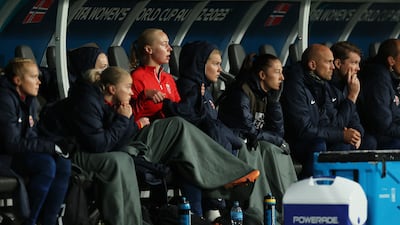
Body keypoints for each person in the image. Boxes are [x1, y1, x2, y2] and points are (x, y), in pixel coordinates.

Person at [66, 66, 259, 225]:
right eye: (128, 88)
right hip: (100, 152)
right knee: (122, 159)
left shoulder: (119, 104)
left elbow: (123, 136)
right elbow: (101, 144)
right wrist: (127, 121)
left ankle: (227, 178)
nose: (132, 92)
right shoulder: (90, 102)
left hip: (128, 143)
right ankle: (221, 186)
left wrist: (128, 119)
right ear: (111, 89)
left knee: (179, 126)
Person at [129, 29, 260, 221]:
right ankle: (229, 174)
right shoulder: (136, 77)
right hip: (150, 139)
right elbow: (125, 114)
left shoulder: (167, 79)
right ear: (148, 49)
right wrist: (142, 99)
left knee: (189, 160)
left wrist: (194, 98)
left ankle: (199, 217)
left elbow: (181, 111)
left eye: (169, 44)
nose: (169, 49)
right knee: (192, 133)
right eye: (164, 44)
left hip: (173, 139)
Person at [218, 53, 297, 219]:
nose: (282, 77)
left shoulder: (266, 94)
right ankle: (258, 213)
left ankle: (288, 208)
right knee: (263, 147)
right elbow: (248, 130)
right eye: (277, 72)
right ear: (262, 75)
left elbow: (277, 133)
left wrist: (275, 103)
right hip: (233, 145)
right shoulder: (241, 93)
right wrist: (277, 140)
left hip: (253, 141)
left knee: (277, 150)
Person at [0, 58, 71, 225]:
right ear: (17, 80)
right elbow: (11, 143)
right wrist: (50, 146)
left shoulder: (29, 99)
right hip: (5, 156)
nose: (39, 82)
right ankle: (30, 221)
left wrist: (56, 144)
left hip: (18, 153)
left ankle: (49, 221)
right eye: (33, 77)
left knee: (63, 162)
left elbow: (31, 136)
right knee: (46, 164)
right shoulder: (4, 100)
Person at [281, 44, 364, 178]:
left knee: (344, 145)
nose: (333, 67)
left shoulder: (321, 84)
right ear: (313, 65)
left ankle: (336, 192)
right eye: (329, 62)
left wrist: (354, 134)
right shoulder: (295, 85)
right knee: (319, 144)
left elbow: (331, 122)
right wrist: (341, 134)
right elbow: (303, 129)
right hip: (294, 140)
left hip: (316, 137)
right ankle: (309, 192)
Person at [330, 41, 377, 150]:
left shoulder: (348, 84)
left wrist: (358, 134)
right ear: (338, 64)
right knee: (343, 147)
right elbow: (335, 124)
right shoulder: (327, 86)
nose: (358, 68)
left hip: (345, 134)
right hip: (332, 136)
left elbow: (354, 118)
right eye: (354, 63)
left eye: (358, 63)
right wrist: (352, 96)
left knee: (370, 142)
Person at [358, 38, 400, 149]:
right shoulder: (378, 78)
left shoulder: (392, 77)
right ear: (391, 61)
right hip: (378, 136)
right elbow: (383, 124)